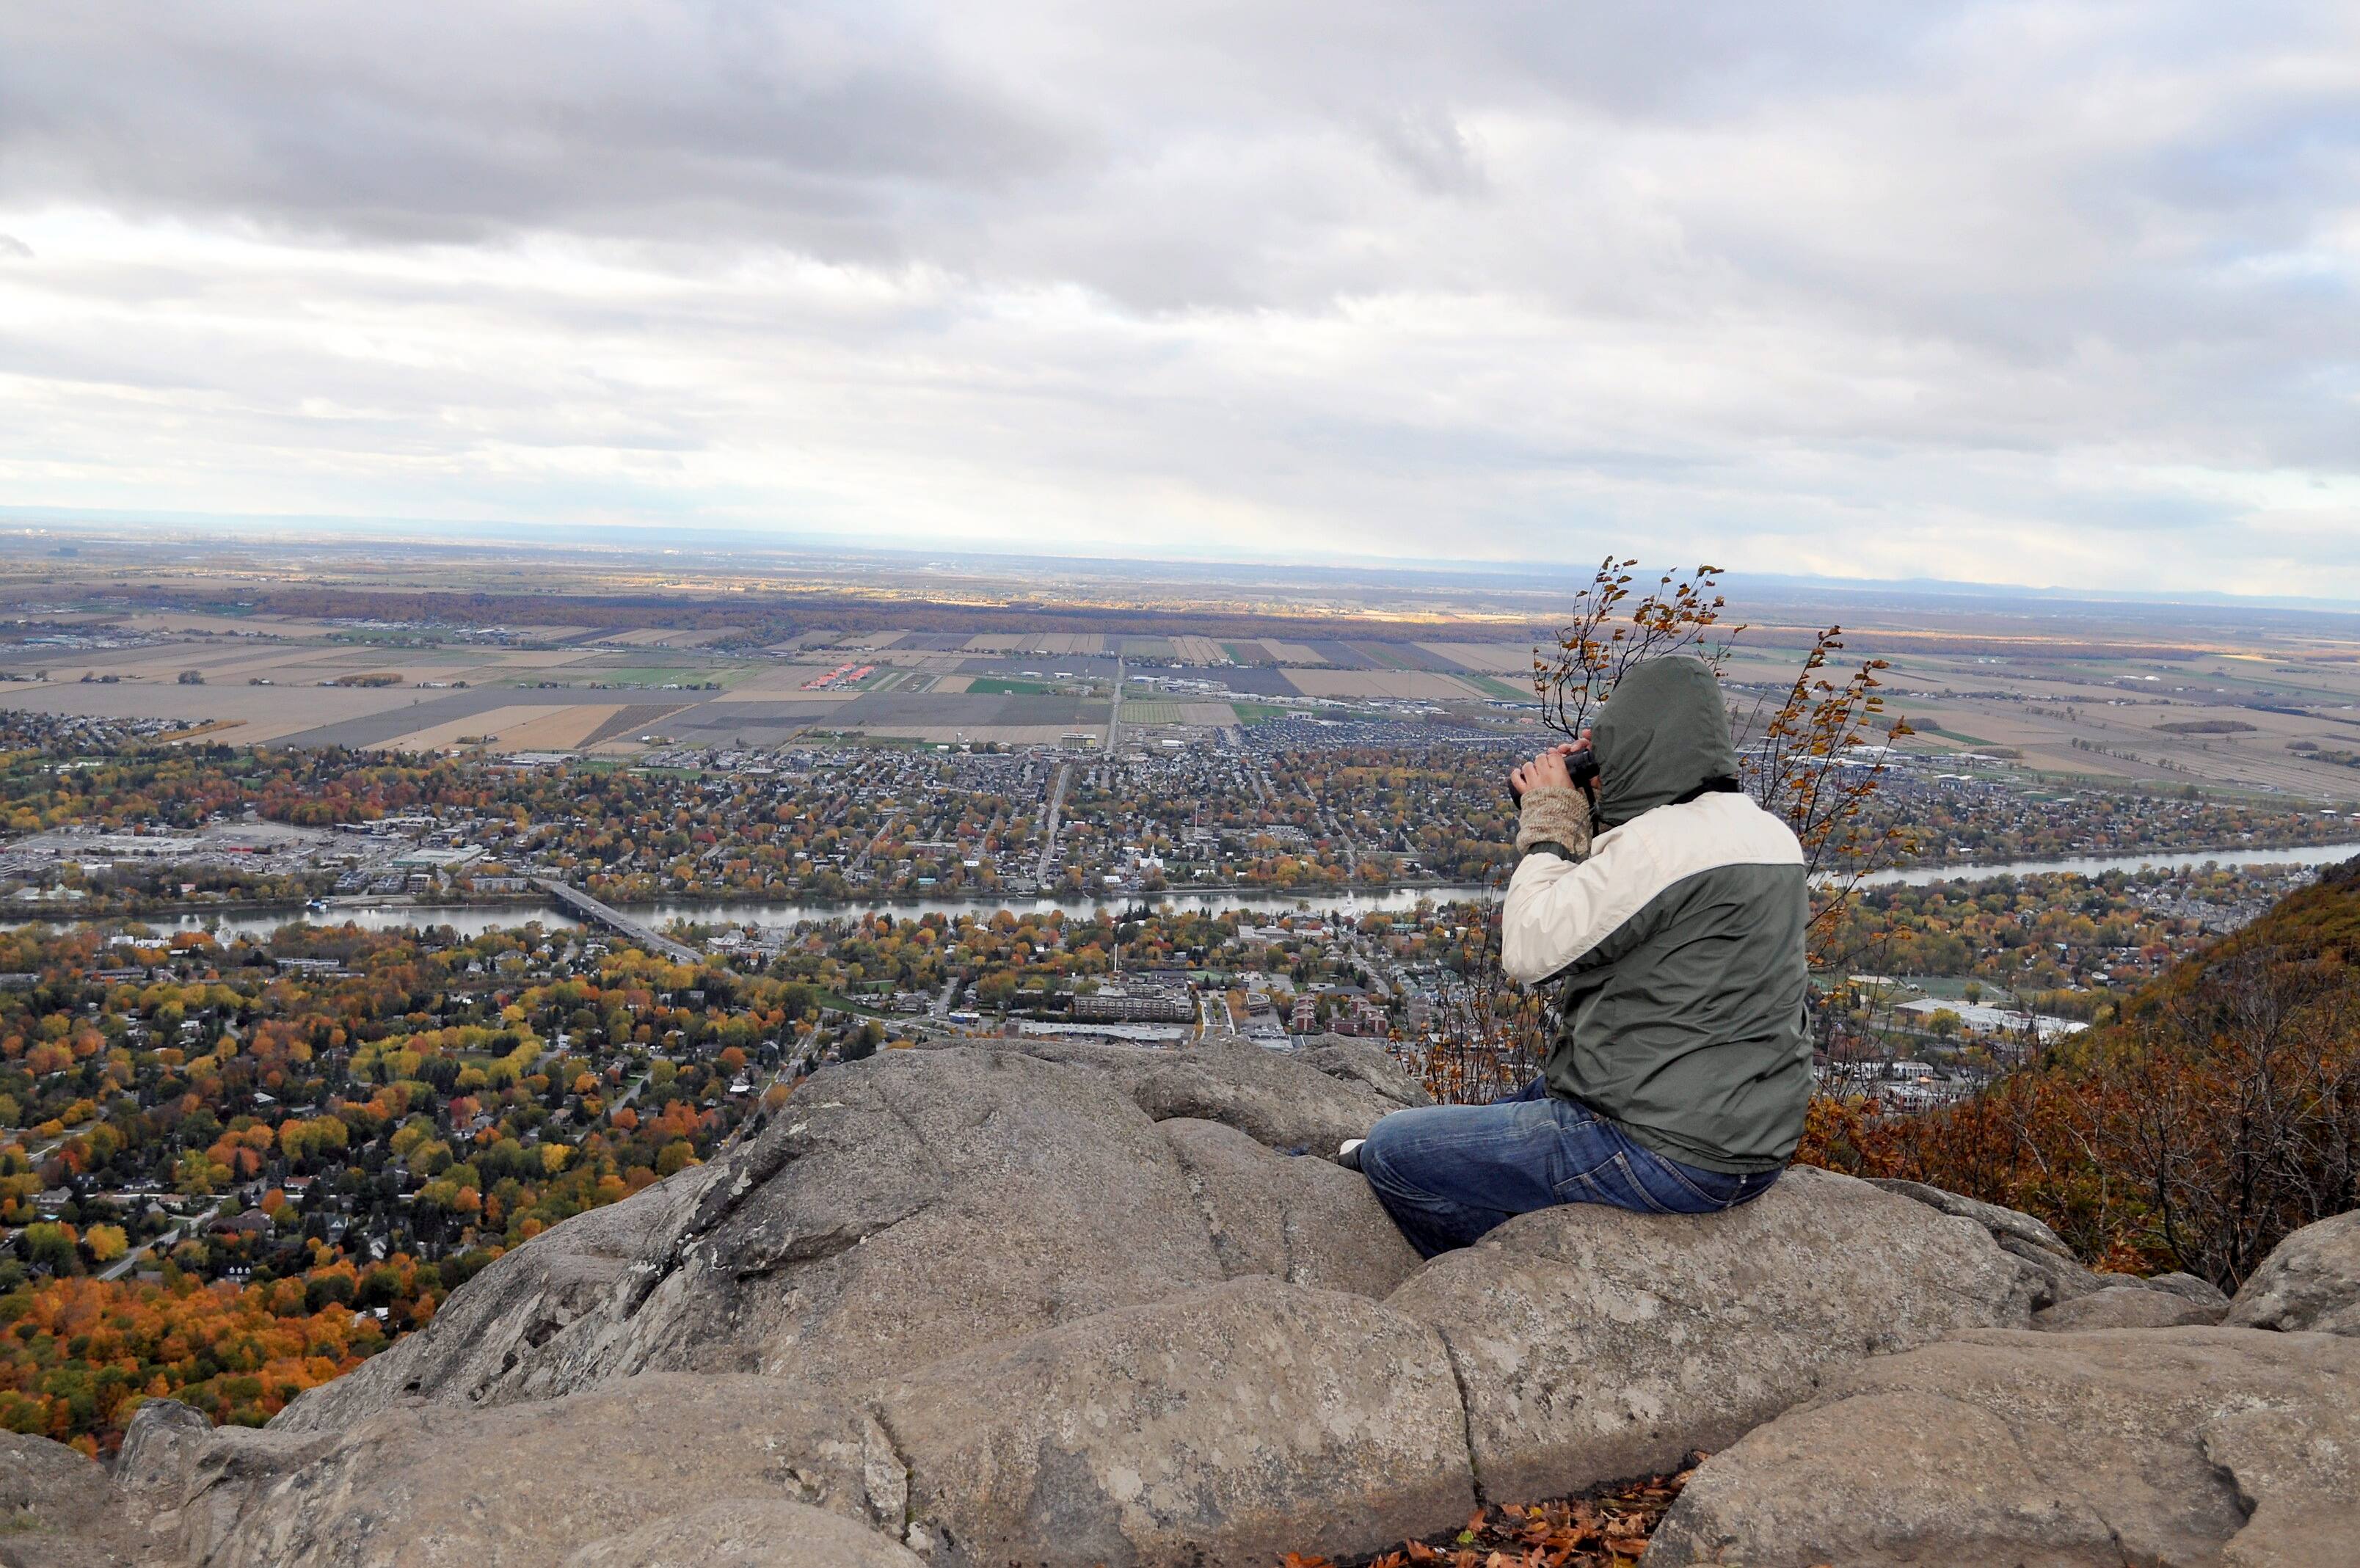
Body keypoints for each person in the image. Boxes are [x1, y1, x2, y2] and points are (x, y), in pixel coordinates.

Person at [1350, 654, 1809, 1258]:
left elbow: (1529, 949)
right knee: (1527, 1100)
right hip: (1751, 1146)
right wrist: (1604, 802)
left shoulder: (1660, 845)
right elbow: (1621, 909)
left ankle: (1500, 1272)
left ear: (1636, 744)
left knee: (1393, 1150)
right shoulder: (1771, 835)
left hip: (1658, 1148)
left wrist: (1550, 828)